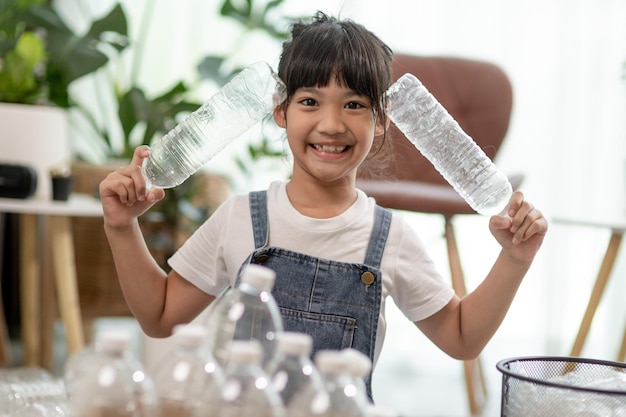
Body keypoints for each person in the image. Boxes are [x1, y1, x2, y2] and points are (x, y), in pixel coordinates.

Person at [99, 12, 548, 400]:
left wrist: (514, 258)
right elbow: (159, 316)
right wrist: (122, 228)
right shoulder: (238, 217)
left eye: (354, 104)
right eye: (310, 101)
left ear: (381, 120)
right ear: (281, 111)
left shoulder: (390, 238)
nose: (331, 124)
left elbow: (462, 337)